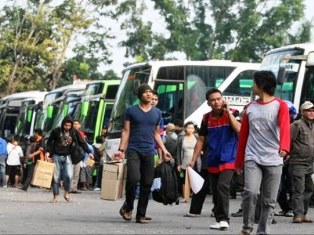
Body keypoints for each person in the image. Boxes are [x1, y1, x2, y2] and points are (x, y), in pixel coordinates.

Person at [235, 70, 290, 235]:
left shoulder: (280, 105)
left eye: (254, 82)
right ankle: (247, 227)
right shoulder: (250, 107)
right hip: (253, 156)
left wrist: (284, 147)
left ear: (262, 85)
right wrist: (239, 162)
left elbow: (285, 127)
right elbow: (243, 136)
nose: (252, 86)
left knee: (269, 200)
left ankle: (263, 231)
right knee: (250, 192)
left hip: (274, 157)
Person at [114, 84, 171, 224]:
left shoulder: (157, 113)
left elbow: (156, 134)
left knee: (147, 183)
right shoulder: (131, 111)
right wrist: (121, 150)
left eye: (150, 92)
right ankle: (128, 207)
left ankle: (141, 214)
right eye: (146, 92)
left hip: (149, 151)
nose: (149, 94)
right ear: (140, 95)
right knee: (133, 179)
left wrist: (164, 150)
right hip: (133, 150)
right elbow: (126, 131)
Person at [188, 88, 241, 231]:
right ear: (208, 103)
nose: (217, 102)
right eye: (213, 100)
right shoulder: (206, 118)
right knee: (216, 191)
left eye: (219, 99)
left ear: (222, 99)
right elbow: (201, 139)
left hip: (229, 158)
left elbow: (239, 129)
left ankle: (224, 219)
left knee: (223, 186)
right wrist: (194, 159)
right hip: (212, 158)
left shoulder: (234, 113)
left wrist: (228, 112)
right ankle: (219, 219)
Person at [45, 115, 94, 203]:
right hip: (56, 156)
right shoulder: (56, 131)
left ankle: (66, 193)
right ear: (63, 124)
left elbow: (82, 142)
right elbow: (49, 142)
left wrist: (89, 152)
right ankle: (55, 196)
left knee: (69, 175)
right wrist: (48, 152)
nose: (67, 127)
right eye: (65, 125)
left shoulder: (74, 132)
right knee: (56, 177)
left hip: (68, 156)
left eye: (69, 126)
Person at [289, 101, 314, 223]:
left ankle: (303, 214)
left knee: (309, 188)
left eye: (313, 110)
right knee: (298, 190)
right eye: (309, 110)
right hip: (298, 162)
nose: (311, 112)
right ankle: (297, 215)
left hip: (309, 163)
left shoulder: (312, 125)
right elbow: (288, 141)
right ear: (302, 112)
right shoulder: (296, 125)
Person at [177, 121, 198, 203]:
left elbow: (200, 147)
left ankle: (194, 195)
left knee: (194, 179)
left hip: (195, 162)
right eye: (189, 128)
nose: (190, 129)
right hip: (184, 162)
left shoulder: (197, 136)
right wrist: (179, 164)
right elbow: (178, 151)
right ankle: (185, 196)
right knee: (184, 180)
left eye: (192, 128)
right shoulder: (181, 138)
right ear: (185, 128)